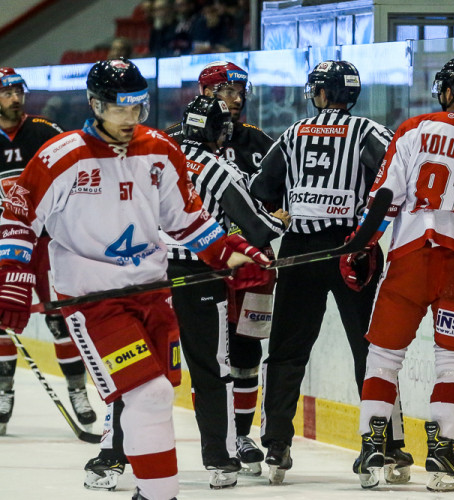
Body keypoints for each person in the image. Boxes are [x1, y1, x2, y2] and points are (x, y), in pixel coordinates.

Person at [0, 58, 271, 500]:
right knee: (145, 393)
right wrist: (12, 279)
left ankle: (152, 492)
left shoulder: (160, 150)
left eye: (138, 108)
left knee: (160, 393)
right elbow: (19, 217)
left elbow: (188, 220)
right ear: (95, 104)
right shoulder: (61, 155)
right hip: (93, 299)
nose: (130, 119)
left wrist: (229, 253)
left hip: (152, 293)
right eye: (120, 108)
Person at [83, 95, 286, 491]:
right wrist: (281, 220)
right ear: (216, 132)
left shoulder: (148, 159)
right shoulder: (220, 169)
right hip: (198, 278)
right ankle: (221, 460)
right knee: (212, 369)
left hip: (143, 278)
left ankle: (111, 456)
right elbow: (257, 229)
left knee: (136, 371)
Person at [348, 57, 454, 491]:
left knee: (384, 356)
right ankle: (442, 454)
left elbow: (386, 197)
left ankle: (372, 445)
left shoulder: (414, 129)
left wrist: (361, 244)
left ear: (446, 92)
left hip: (410, 258)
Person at [248, 60, 411, 485]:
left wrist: (284, 210)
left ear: (321, 93)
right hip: (351, 250)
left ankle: (276, 445)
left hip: (300, 251)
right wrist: (365, 234)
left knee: (286, 349)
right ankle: (385, 447)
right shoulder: (368, 131)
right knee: (372, 350)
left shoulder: (294, 132)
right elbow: (397, 180)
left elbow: (259, 190)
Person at [167, 60, 278, 475]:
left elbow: (282, 188)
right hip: (203, 263)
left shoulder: (256, 141)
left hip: (250, 265)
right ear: (205, 93)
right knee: (205, 358)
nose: (235, 99)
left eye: (239, 91)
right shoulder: (171, 142)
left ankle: (241, 435)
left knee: (246, 349)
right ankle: (222, 441)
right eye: (227, 91)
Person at [0, 67, 97, 435]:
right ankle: (3, 393)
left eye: (18, 91)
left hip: (46, 243)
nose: (15, 98)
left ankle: (77, 393)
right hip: (5, 245)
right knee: (3, 321)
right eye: (6, 92)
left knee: (61, 317)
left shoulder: (43, 131)